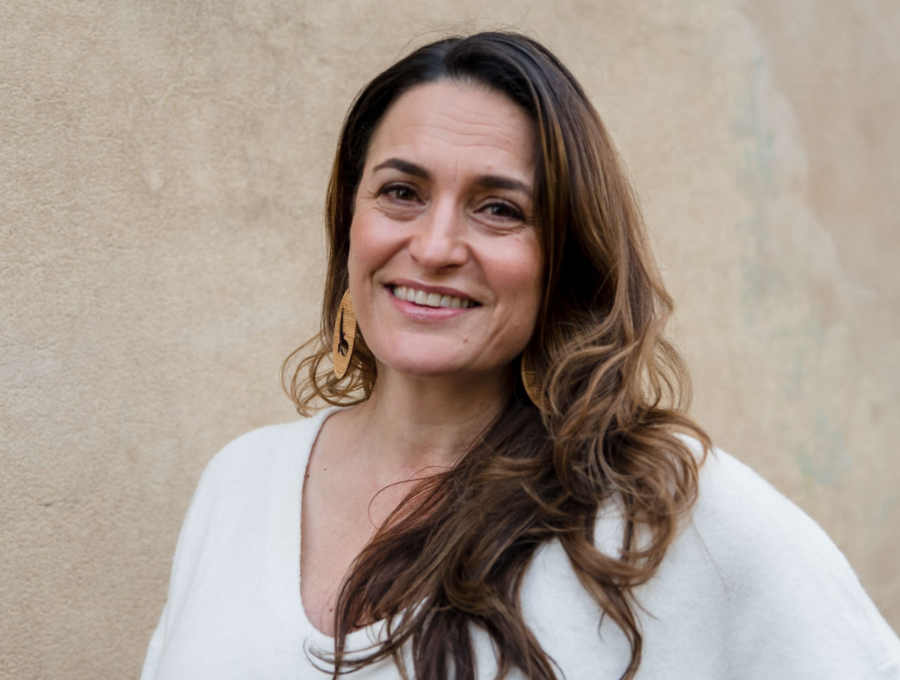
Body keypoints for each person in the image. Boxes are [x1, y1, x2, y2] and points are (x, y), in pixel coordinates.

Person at [140, 31, 900, 680]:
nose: (434, 247)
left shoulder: (664, 513)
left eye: (499, 209)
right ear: (349, 222)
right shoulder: (238, 485)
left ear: (564, 259)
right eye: (401, 192)